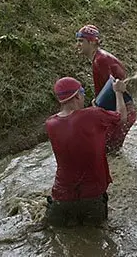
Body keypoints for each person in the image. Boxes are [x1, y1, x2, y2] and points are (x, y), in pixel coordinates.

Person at [44, 77, 127, 226]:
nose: (83, 95)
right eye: (82, 92)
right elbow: (122, 117)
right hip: (92, 199)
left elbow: (75, 124)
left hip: (61, 199)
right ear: (77, 95)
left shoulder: (50, 124)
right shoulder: (93, 115)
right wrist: (118, 93)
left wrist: (94, 110)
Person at [75, 25, 137, 153]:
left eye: (81, 41)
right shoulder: (99, 58)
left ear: (91, 42)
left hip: (122, 111)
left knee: (107, 151)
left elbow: (115, 87)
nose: (78, 44)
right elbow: (108, 88)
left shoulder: (100, 60)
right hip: (122, 110)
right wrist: (97, 102)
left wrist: (98, 107)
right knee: (110, 152)